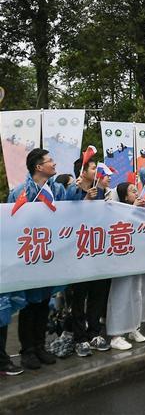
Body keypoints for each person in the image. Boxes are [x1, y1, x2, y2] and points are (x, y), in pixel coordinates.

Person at [6, 149, 69, 370]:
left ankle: (40, 345)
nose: (54, 163)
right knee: (29, 304)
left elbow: (72, 209)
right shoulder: (20, 192)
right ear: (38, 167)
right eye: (50, 161)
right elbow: (12, 223)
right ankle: (28, 350)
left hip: (50, 254)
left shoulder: (58, 189)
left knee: (44, 301)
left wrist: (84, 194)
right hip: (29, 254)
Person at [65, 156, 113, 357]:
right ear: (82, 171)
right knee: (79, 297)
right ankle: (80, 337)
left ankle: (94, 333)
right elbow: (66, 220)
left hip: (98, 251)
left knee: (98, 293)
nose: (97, 171)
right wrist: (85, 200)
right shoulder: (71, 193)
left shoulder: (102, 192)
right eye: (93, 167)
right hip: (78, 253)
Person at [105, 182, 145, 350]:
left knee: (138, 293)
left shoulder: (140, 210)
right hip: (122, 261)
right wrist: (134, 208)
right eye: (133, 191)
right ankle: (116, 334)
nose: (136, 193)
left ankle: (134, 327)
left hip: (138, 259)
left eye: (136, 190)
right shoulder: (118, 210)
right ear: (125, 196)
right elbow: (118, 227)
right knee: (121, 295)